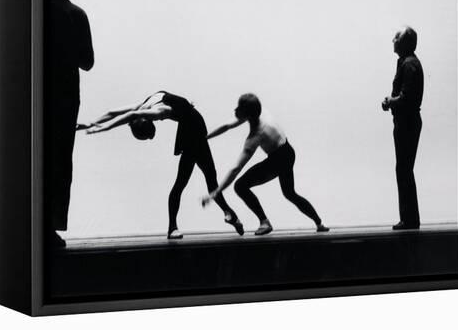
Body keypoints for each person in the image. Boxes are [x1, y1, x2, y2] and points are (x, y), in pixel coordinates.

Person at [81, 91, 244, 239]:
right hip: (193, 131)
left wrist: (99, 126)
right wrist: (95, 124)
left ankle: (224, 215)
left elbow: (125, 114)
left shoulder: (152, 109)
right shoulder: (151, 107)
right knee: (198, 182)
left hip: (194, 131)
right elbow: (120, 114)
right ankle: (225, 215)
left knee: (197, 182)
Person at [201, 94, 329, 235]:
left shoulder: (256, 135)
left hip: (279, 159)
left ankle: (264, 222)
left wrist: (215, 192)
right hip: (288, 151)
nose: (235, 109)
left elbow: (236, 168)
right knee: (290, 193)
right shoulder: (260, 112)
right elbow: (227, 126)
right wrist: (205, 138)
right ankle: (319, 223)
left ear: (247, 114)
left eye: (239, 107)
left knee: (240, 186)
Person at [46, 0, 94, 247]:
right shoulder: (76, 14)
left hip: (36, 92)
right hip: (65, 96)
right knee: (61, 161)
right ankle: (50, 227)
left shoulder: (34, 10)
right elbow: (87, 62)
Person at [382, 26, 423, 230]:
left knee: (403, 169)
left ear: (405, 42)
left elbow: (407, 98)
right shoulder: (407, 63)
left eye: (397, 37)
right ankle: (409, 218)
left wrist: (391, 101)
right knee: (404, 169)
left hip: (407, 122)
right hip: (407, 121)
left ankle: (409, 219)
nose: (393, 39)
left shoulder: (408, 65)